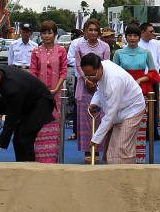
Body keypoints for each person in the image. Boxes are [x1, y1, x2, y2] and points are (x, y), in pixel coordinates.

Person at [0, 60, 54, 162]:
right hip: (25, 100)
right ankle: (22, 166)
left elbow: (10, 123)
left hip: (40, 103)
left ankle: (28, 170)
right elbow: (1, 93)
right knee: (18, 138)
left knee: (24, 138)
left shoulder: (12, 89)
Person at [82, 54, 146, 164]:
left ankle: (126, 177)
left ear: (100, 68)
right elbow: (100, 89)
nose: (90, 79)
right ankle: (109, 173)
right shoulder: (101, 71)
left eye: (92, 75)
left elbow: (110, 115)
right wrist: (95, 103)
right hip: (117, 110)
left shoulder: (114, 80)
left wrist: (96, 139)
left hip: (132, 109)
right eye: (87, 76)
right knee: (110, 148)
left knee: (121, 148)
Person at [113, 23, 160, 163]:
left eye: (135, 35)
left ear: (139, 37)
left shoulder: (146, 53)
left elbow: (154, 73)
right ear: (125, 37)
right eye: (130, 35)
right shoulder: (118, 53)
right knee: (123, 126)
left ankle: (139, 159)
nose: (132, 38)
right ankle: (122, 158)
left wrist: (141, 79)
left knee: (141, 127)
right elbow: (114, 73)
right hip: (123, 94)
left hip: (141, 93)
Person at [30, 20, 67, 163]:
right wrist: (41, 90)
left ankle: (52, 160)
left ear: (55, 34)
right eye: (44, 33)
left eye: (49, 32)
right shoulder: (36, 51)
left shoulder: (61, 51)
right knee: (40, 126)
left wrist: (57, 88)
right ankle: (40, 159)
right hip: (39, 95)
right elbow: (33, 72)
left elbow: (64, 72)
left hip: (57, 95)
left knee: (54, 128)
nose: (46, 36)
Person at [75, 19, 110, 163]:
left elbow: (106, 66)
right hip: (84, 87)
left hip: (100, 86)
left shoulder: (105, 46)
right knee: (85, 121)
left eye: (96, 30)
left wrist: (95, 81)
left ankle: (99, 151)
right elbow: (78, 66)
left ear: (99, 32)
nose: (93, 33)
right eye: (90, 30)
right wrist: (86, 80)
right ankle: (88, 151)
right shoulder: (79, 46)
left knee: (100, 118)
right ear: (84, 31)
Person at [139, 23, 160, 140]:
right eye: (151, 31)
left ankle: (154, 133)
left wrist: (153, 74)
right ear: (143, 32)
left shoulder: (156, 44)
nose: (153, 33)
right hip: (140, 78)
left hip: (153, 77)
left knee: (154, 106)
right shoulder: (137, 43)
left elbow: (159, 60)